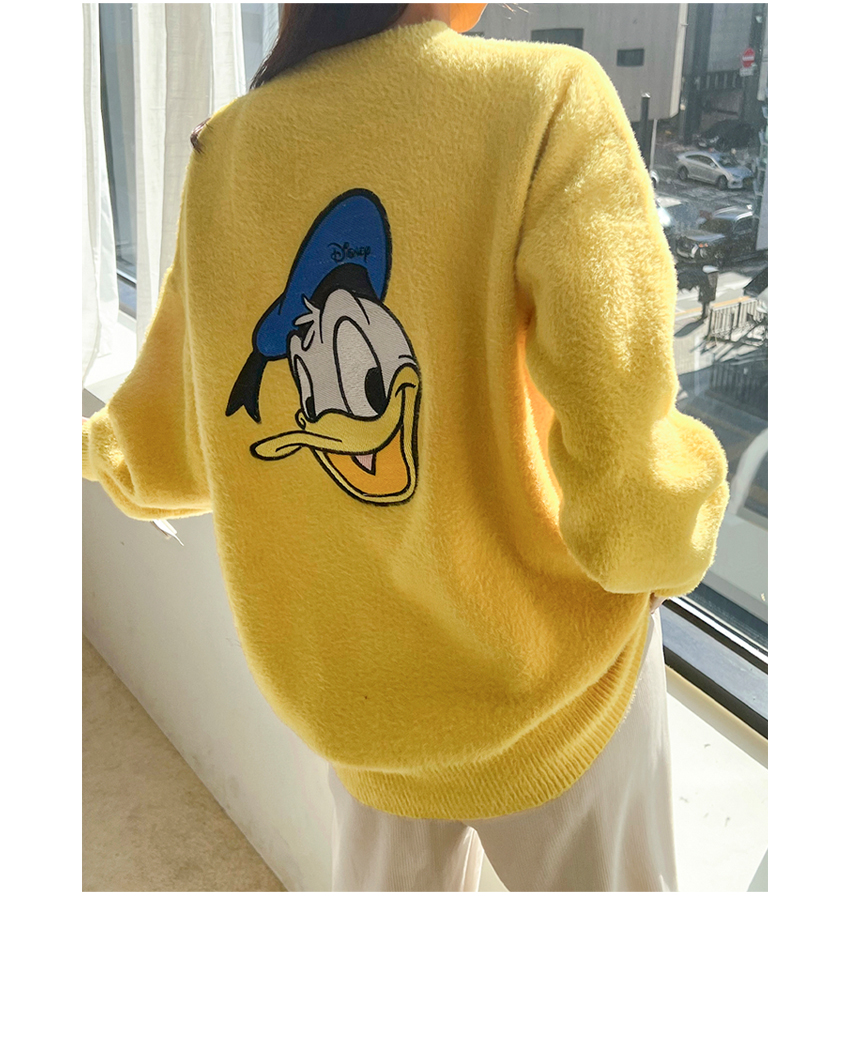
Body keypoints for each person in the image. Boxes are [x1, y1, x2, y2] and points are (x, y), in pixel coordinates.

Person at [83, 3, 729, 892]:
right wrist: (667, 537)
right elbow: (628, 479)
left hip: (356, 700)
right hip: (548, 692)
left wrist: (91, 452)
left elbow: (168, 448)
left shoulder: (226, 151)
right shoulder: (544, 101)